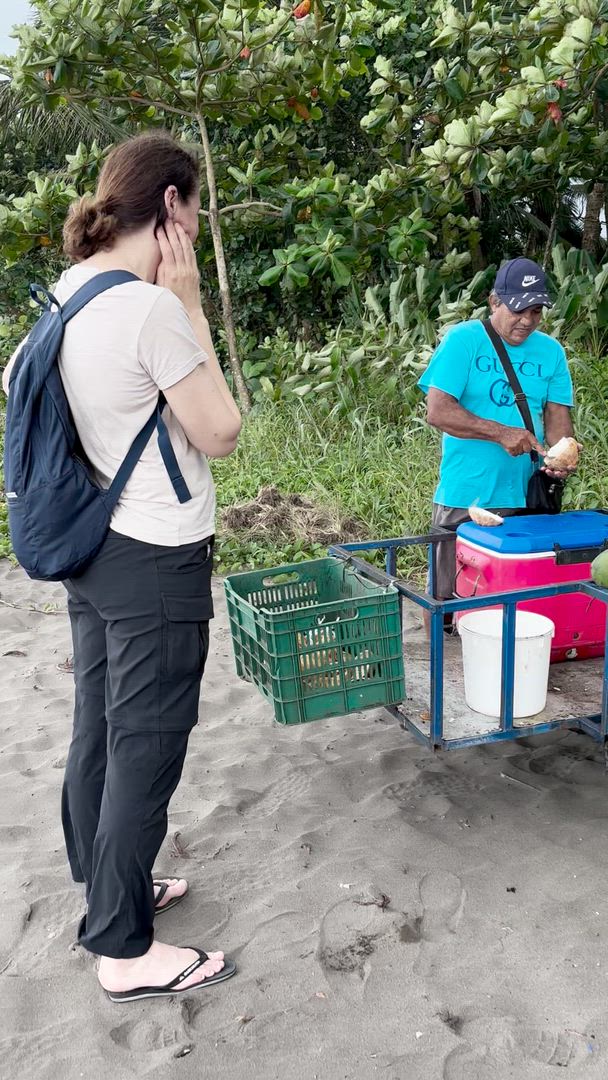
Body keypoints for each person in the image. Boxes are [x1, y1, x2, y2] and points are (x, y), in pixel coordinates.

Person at [3, 132, 242, 1001]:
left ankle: (108, 885)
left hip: (94, 552)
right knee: (147, 743)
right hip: (156, 558)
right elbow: (220, 431)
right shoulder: (147, 311)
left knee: (100, 725)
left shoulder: (64, 298)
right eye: (196, 206)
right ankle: (122, 947)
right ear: (172, 208)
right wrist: (191, 307)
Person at [418, 256, 578, 612]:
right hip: (466, 495)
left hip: (528, 499)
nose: (528, 321)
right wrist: (501, 433)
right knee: (445, 602)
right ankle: (441, 665)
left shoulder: (551, 352)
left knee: (516, 605)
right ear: (494, 301)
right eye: (519, 310)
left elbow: (558, 423)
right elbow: (438, 410)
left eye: (536, 311)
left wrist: (561, 457)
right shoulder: (464, 341)